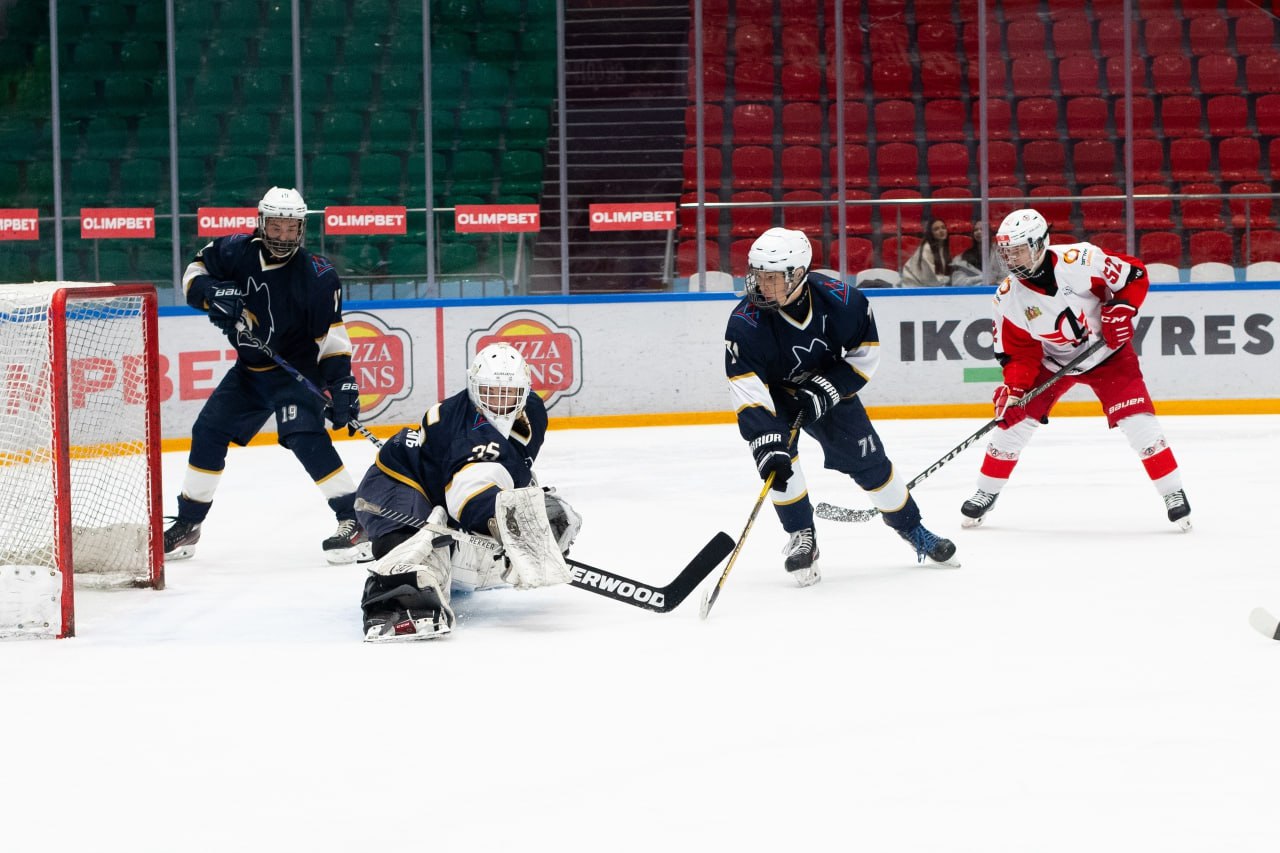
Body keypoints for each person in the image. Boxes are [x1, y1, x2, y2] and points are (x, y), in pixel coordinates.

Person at [724, 227, 958, 587]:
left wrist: (829, 388)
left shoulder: (844, 302)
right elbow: (748, 390)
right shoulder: (745, 324)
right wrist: (765, 441)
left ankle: (913, 529)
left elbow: (866, 356)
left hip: (828, 388)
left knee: (872, 464)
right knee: (780, 465)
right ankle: (802, 536)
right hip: (775, 395)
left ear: (799, 274)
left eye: (773, 279)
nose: (761, 287)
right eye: (757, 277)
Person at [162, 187, 370, 564]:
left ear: (302, 229)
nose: (283, 237)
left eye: (291, 229)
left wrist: (342, 384)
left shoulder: (318, 275)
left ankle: (354, 520)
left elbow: (332, 338)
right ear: (262, 224)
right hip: (250, 371)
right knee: (208, 431)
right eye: (276, 227)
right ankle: (189, 525)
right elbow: (194, 273)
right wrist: (212, 292)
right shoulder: (233, 251)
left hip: (297, 373)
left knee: (303, 437)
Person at [960, 208, 1192, 530]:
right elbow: (1019, 355)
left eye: (1018, 251)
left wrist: (1122, 309)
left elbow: (1134, 276)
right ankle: (986, 492)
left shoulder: (1081, 260)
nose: (1011, 260)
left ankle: (1172, 492)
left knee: (1139, 423)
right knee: (1013, 426)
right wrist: (1014, 392)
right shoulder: (1008, 298)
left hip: (1108, 355)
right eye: (1007, 253)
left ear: (1040, 243)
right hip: (1053, 362)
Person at [353, 342, 582, 641]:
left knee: (544, 511)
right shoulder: (467, 431)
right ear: (473, 388)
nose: (501, 401)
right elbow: (469, 491)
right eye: (490, 391)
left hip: (440, 480)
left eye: (510, 392)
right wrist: (504, 527)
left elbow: (511, 468)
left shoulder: (533, 410)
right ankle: (393, 603)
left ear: (525, 390)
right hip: (398, 482)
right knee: (411, 545)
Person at [949, 221, 1009, 286]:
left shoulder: (999, 253)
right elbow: (957, 282)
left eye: (982, 229)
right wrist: (984, 279)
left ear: (989, 232)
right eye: (976, 230)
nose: (978, 232)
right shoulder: (963, 258)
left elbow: (1005, 277)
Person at [900, 218, 953, 287]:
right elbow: (930, 279)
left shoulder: (943, 247)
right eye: (936, 229)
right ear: (931, 234)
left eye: (943, 228)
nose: (941, 231)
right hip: (913, 286)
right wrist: (949, 280)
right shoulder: (926, 248)